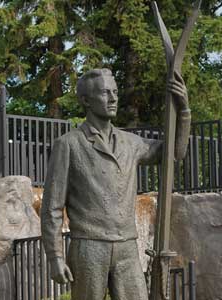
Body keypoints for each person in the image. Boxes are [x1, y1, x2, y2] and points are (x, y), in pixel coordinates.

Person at [41, 68, 191, 300]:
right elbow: (51, 208)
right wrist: (55, 258)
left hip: (126, 247)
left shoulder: (131, 143)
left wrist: (183, 111)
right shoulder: (69, 144)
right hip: (88, 248)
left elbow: (175, 152)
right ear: (86, 100)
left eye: (115, 92)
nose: (113, 98)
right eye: (104, 93)